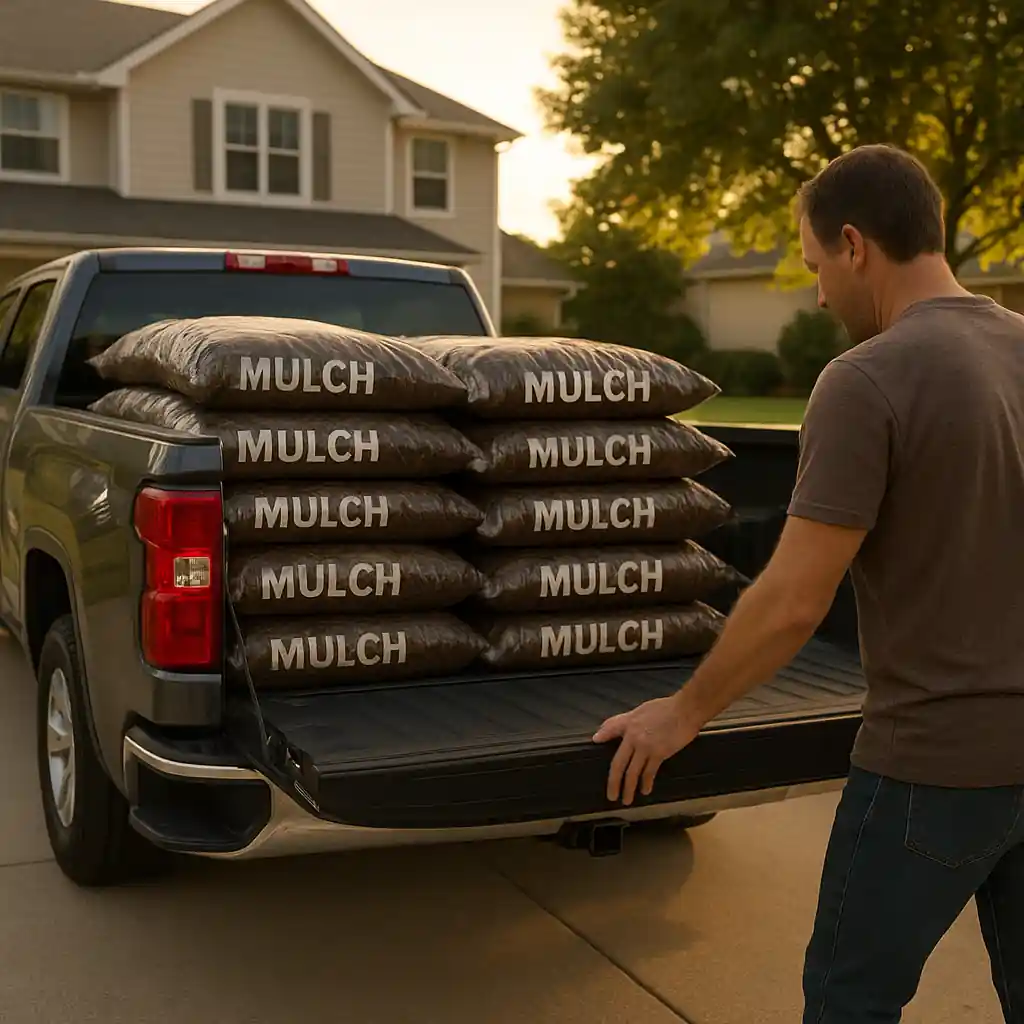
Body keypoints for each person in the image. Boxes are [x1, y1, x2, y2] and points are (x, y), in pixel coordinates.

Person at [593, 144, 1024, 1022]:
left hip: (932, 769)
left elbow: (795, 598)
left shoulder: (866, 380)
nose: (819, 293)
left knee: (847, 1001)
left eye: (816, 263)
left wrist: (683, 713)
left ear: (856, 245)